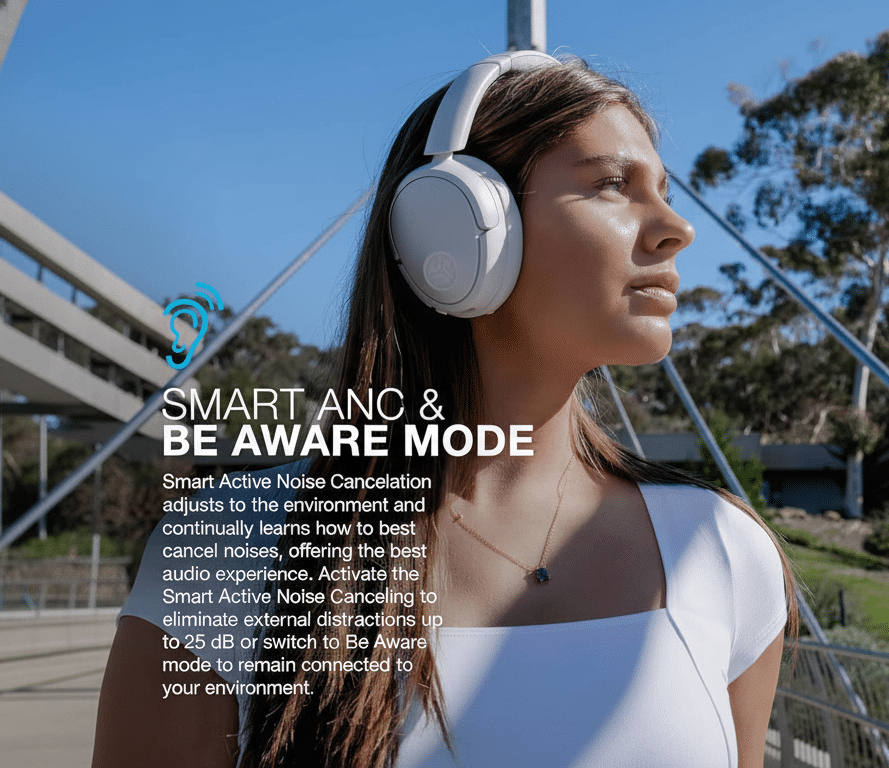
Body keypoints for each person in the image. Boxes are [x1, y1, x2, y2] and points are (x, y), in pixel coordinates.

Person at [93, 52, 796, 768]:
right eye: (614, 184)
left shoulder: (724, 550)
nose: (677, 228)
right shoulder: (230, 547)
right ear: (456, 226)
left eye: (665, 190)